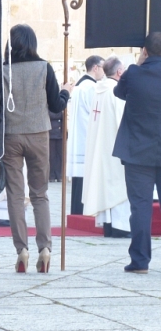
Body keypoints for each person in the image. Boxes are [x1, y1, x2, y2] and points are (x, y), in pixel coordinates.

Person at [3, 24, 72, 274]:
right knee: (40, 194)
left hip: (11, 135)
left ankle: (21, 249)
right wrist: (65, 92)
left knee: (15, 194)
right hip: (39, 134)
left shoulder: (2, 70)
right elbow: (56, 104)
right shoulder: (44, 68)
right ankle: (45, 248)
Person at [113, 32, 161, 273]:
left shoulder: (133, 73)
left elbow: (118, 93)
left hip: (138, 151)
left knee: (140, 207)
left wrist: (140, 65)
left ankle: (140, 261)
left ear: (145, 51)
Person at [82, 56, 130, 238]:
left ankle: (108, 225)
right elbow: (122, 121)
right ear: (119, 72)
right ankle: (120, 226)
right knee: (117, 185)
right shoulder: (116, 91)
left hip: (100, 147)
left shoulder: (99, 90)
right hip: (114, 147)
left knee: (105, 184)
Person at [66, 55, 105, 214]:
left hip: (77, 137)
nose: (104, 71)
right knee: (85, 178)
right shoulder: (92, 88)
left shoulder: (79, 86)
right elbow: (96, 112)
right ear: (95, 67)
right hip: (87, 137)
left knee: (79, 180)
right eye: (102, 67)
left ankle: (77, 211)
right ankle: (83, 212)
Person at [48, 110, 63, 182]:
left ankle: (59, 175)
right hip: (51, 133)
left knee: (60, 156)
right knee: (52, 156)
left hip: (61, 133)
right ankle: (51, 175)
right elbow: (51, 115)